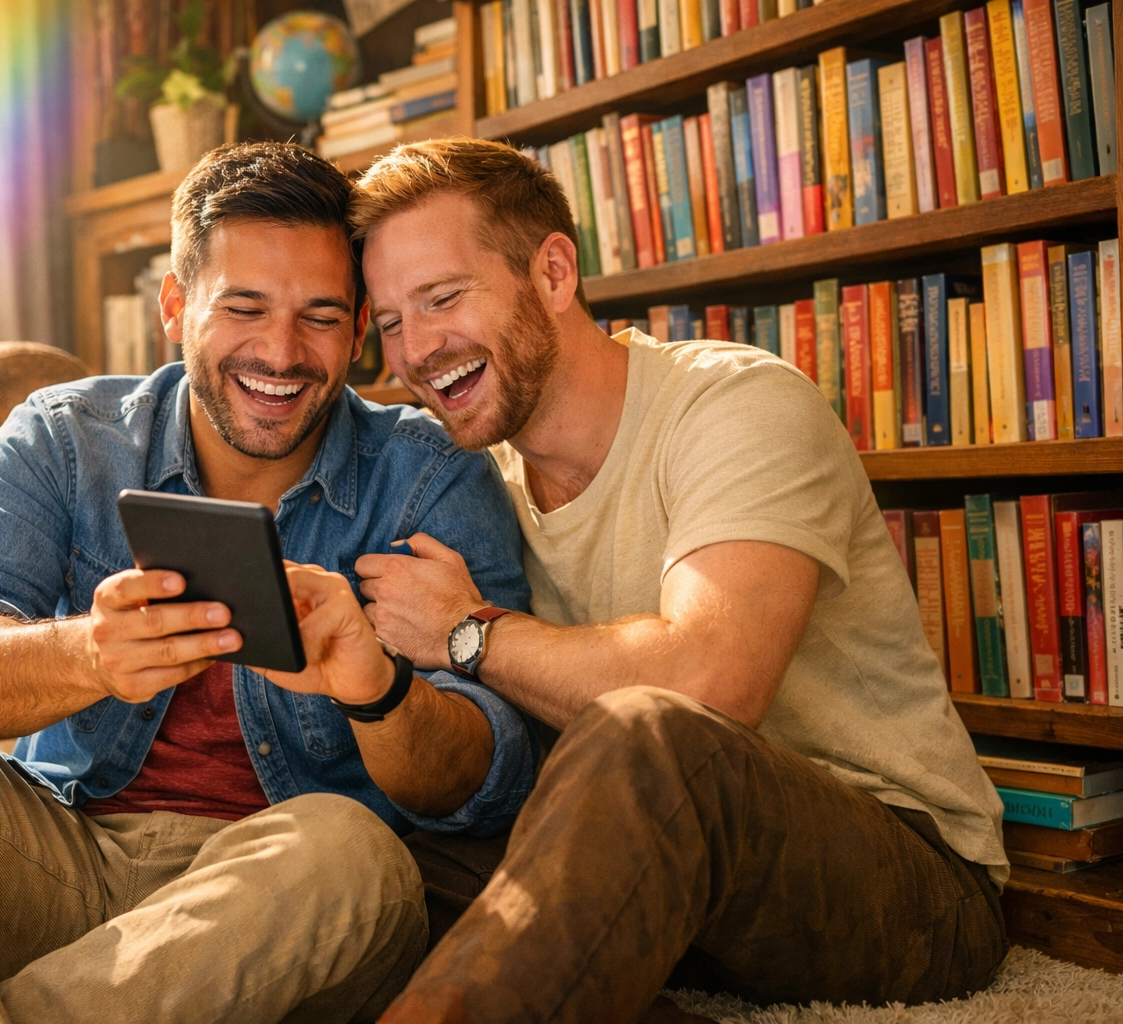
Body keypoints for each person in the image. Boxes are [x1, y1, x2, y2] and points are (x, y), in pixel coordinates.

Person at [0, 142, 538, 1024]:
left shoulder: (431, 477)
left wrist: (379, 693)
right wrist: (86, 652)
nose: (281, 352)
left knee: (354, 850)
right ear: (175, 305)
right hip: (65, 857)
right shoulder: (67, 436)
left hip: (288, 904)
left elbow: (493, 776)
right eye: (244, 307)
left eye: (320, 316)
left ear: (357, 334)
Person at [346, 137, 1009, 1023]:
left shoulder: (735, 402)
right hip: (669, 881)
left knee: (649, 729)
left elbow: (710, 685)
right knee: (370, 866)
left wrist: (472, 634)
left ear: (551, 273)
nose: (417, 349)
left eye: (443, 297)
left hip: (906, 874)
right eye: (390, 322)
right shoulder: (476, 489)